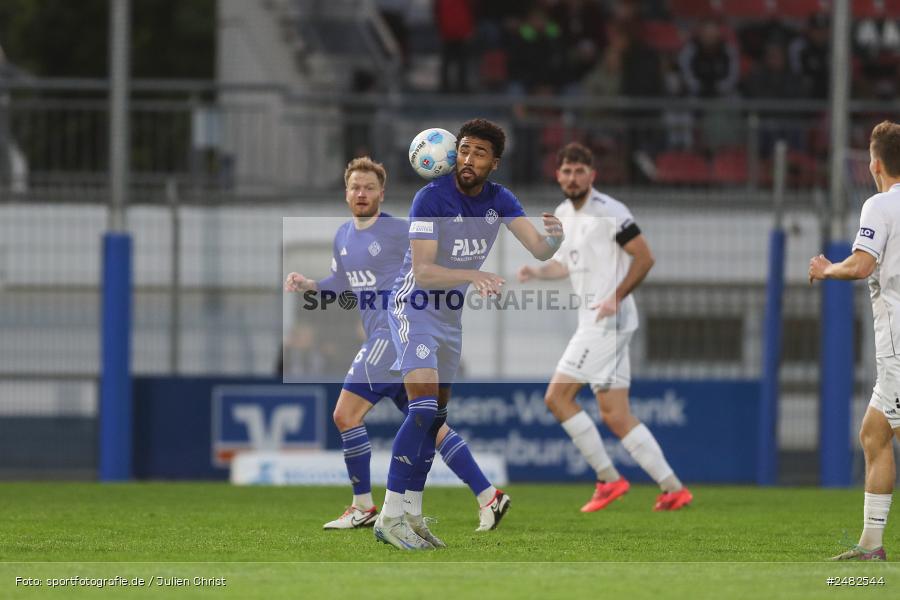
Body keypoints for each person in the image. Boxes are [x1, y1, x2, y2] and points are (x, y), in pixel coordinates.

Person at [284, 157, 504, 533]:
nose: (362, 193)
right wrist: (311, 285)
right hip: (386, 338)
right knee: (430, 424)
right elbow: (342, 282)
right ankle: (488, 495)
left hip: (395, 332)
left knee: (345, 415)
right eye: (355, 187)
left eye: (369, 188)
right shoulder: (343, 236)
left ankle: (364, 506)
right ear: (346, 193)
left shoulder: (399, 230)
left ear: (381, 194)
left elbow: (434, 256)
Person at [373, 118, 565, 550]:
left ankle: (413, 516)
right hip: (413, 308)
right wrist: (474, 274)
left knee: (435, 418)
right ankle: (389, 515)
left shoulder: (500, 200)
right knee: (422, 408)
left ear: (493, 163)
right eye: (463, 150)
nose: (468, 159)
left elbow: (538, 248)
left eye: (479, 153)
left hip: (449, 320)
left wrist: (555, 241)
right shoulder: (431, 198)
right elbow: (423, 272)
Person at [517, 142, 692, 513]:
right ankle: (673, 489)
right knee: (615, 414)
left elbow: (644, 257)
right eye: (567, 171)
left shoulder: (610, 210)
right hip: (598, 321)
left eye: (580, 171)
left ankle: (608, 479)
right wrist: (537, 271)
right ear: (558, 175)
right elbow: (566, 264)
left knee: (557, 398)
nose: (573, 177)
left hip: (608, 321)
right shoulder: (563, 213)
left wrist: (616, 296)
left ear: (592, 175)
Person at [809, 120, 900, 561]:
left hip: (899, 344)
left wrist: (827, 268)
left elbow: (862, 265)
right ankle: (870, 545)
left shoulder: (880, 205)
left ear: (875, 164)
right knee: (874, 432)